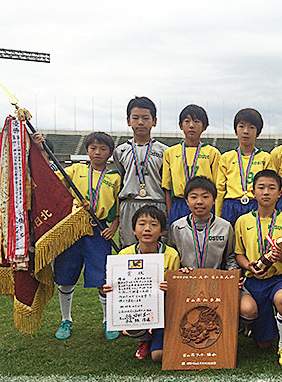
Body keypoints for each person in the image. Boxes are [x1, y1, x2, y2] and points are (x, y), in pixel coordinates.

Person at [32, 132, 121, 340]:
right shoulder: (76, 170)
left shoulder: (114, 177)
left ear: (110, 153)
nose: (97, 152)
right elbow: (51, 177)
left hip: (98, 233)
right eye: (93, 148)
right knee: (65, 278)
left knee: (103, 279)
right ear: (86, 150)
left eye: (103, 149)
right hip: (71, 233)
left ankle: (108, 321)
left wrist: (113, 227)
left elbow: (117, 211)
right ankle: (66, 319)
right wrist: (41, 150)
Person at [234, 170, 282, 366]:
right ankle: (249, 328)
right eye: (261, 188)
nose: (266, 192)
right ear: (253, 192)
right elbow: (238, 253)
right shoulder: (243, 221)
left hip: (279, 279)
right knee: (263, 344)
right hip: (254, 280)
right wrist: (249, 266)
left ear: (280, 193)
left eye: (272, 188)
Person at [102, 205, 180, 361]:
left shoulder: (171, 254)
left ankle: (159, 337)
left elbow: (177, 287)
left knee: (158, 356)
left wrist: (169, 287)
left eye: (154, 224)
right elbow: (118, 284)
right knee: (130, 326)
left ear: (162, 231)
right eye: (142, 224)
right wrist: (111, 290)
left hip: (165, 311)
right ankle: (144, 339)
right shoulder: (125, 254)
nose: (147, 229)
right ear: (133, 229)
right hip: (138, 308)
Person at [113, 96, 168, 248]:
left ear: (154, 121)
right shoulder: (120, 151)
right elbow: (122, 178)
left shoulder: (164, 151)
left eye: (146, 118)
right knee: (129, 248)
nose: (141, 122)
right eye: (135, 118)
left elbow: (165, 183)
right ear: (128, 121)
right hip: (130, 204)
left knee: (158, 249)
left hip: (156, 203)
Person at [161, 104, 221, 226]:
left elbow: (217, 187)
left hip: (203, 205)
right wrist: (170, 212)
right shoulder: (170, 153)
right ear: (180, 125)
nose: (191, 125)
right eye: (187, 121)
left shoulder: (212, 153)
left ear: (204, 127)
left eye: (196, 121)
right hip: (179, 205)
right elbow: (167, 188)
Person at [168, 176, 238, 271]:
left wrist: (232, 273)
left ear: (213, 200)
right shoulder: (177, 227)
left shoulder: (225, 227)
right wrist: (178, 271)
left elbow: (230, 257)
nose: (199, 202)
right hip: (186, 280)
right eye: (194, 197)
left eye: (205, 197)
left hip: (216, 281)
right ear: (187, 201)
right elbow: (172, 257)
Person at [215, 108, 270, 227]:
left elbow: (270, 188)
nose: (246, 131)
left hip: (255, 204)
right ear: (236, 130)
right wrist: (217, 217)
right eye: (241, 126)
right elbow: (220, 190)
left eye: (251, 127)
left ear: (258, 133)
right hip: (231, 206)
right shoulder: (226, 158)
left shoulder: (266, 158)